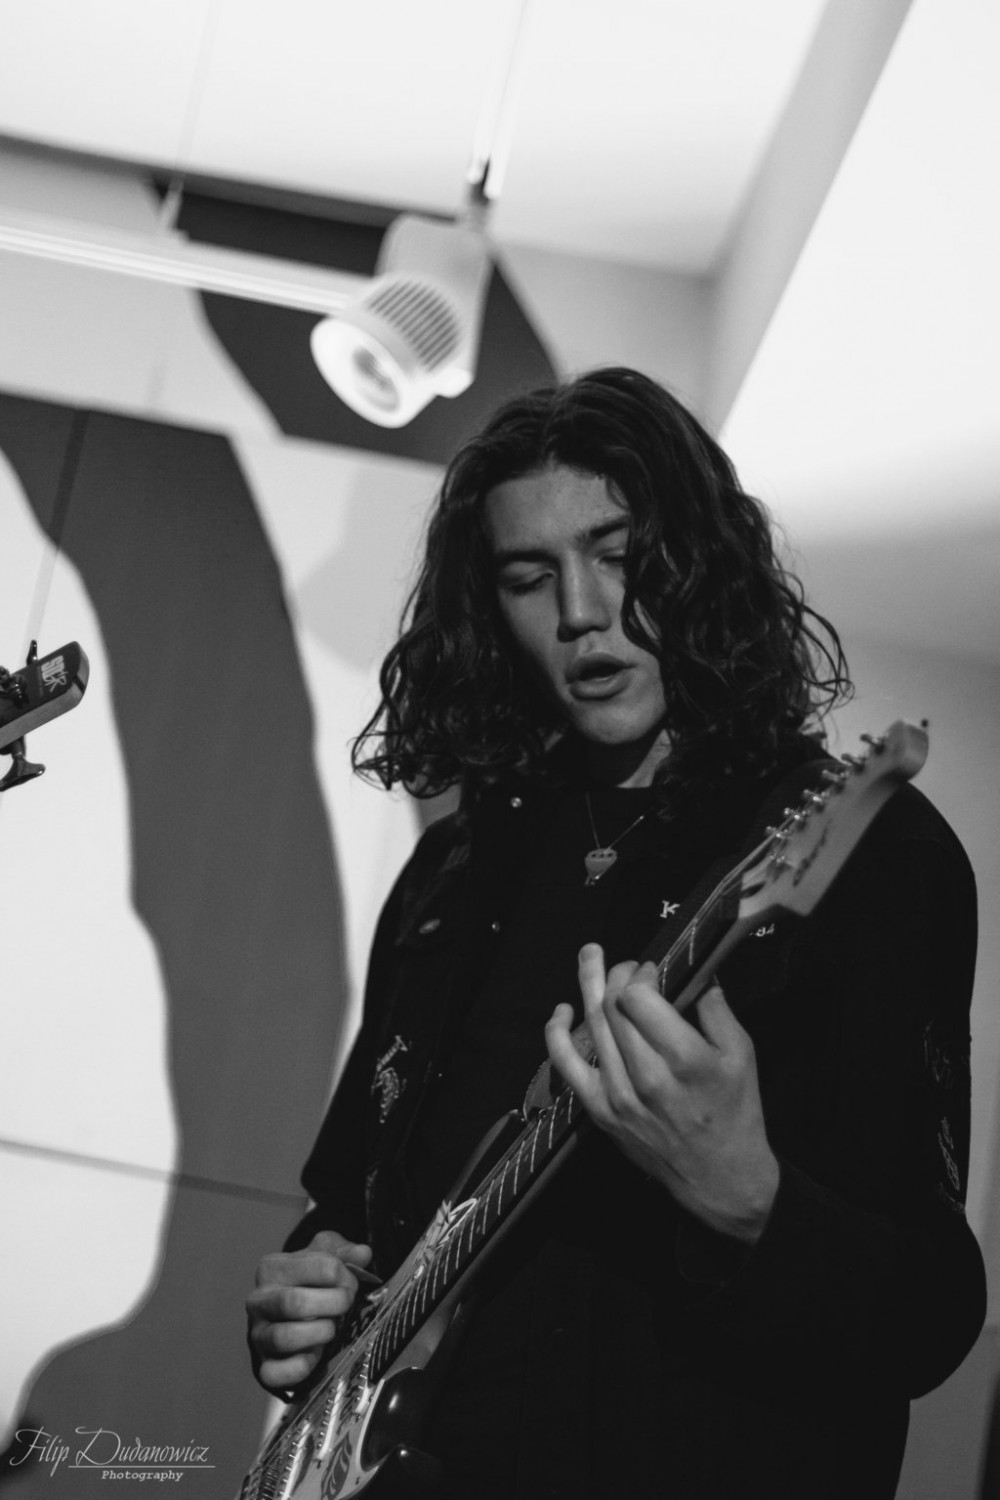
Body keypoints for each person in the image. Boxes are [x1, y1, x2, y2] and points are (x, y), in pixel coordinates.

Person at [246, 367, 985, 1499]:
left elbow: (928, 1312)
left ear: (700, 558)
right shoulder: (452, 872)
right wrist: (309, 1295)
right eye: (527, 576)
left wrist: (744, 1192)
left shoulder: (869, 852)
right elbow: (345, 1205)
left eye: (619, 553)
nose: (581, 611)